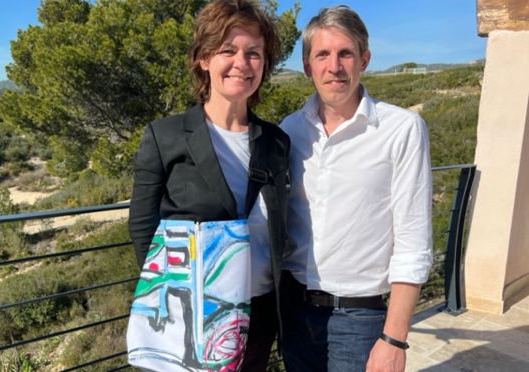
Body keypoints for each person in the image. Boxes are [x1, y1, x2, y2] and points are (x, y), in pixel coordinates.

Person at [128, 0, 289, 370]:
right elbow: (141, 225)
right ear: (203, 59)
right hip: (190, 311)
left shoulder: (277, 142)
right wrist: (170, 296)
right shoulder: (164, 136)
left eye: (254, 53)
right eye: (227, 50)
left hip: (261, 309)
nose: (242, 63)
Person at [279, 5, 433, 372]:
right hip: (294, 313)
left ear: (364, 60)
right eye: (323, 54)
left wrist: (394, 339)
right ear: (307, 67)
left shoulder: (402, 129)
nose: (334, 66)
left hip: (361, 320)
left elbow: (413, 241)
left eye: (345, 53)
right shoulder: (288, 131)